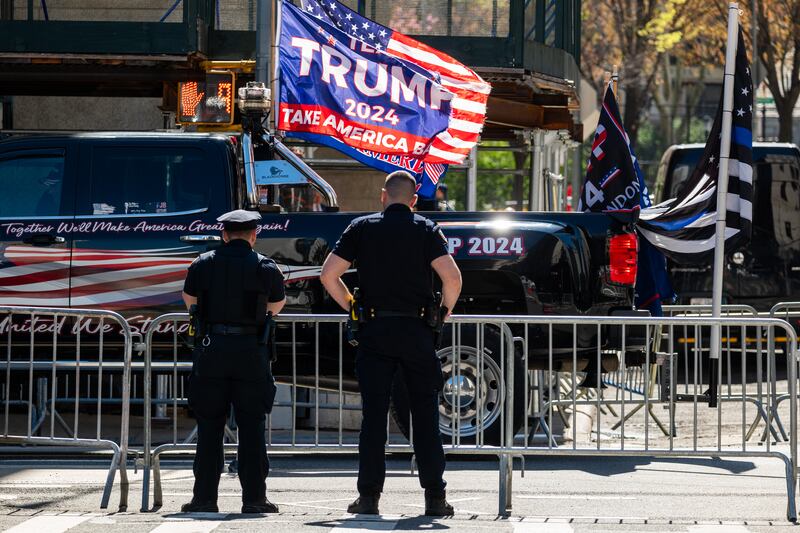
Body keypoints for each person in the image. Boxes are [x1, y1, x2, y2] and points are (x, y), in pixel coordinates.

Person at [320, 171, 463, 516]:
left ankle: (368, 497)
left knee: (373, 419)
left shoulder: (361, 228)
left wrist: (353, 308)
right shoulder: (426, 229)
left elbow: (328, 274)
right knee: (425, 417)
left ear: (383, 196)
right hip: (416, 333)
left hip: (375, 332)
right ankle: (435, 498)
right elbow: (453, 278)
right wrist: (441, 314)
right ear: (413, 201)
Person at [181, 209, 286, 514]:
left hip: (211, 350)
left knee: (209, 425)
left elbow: (190, 302)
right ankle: (254, 499)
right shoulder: (266, 267)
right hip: (251, 351)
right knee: (252, 426)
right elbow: (276, 305)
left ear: (224, 235)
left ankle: (204, 498)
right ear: (254, 236)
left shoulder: (202, 264)